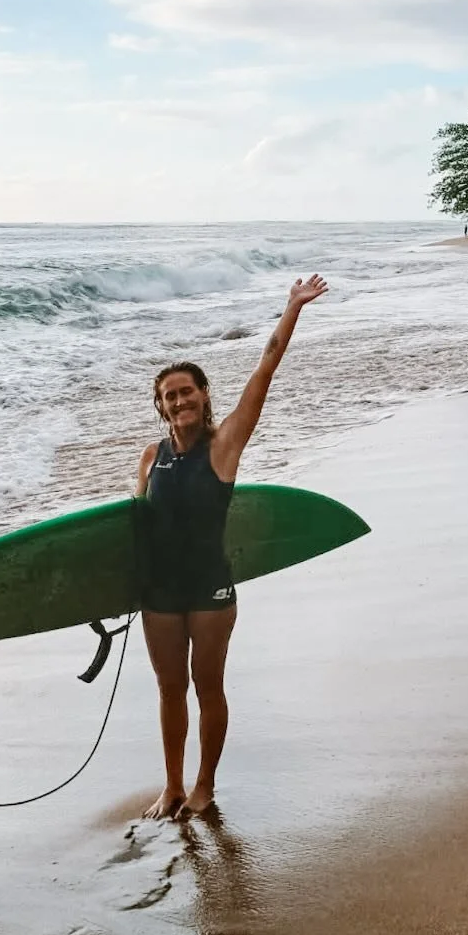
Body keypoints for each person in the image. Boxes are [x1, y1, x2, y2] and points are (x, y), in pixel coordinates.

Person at [135, 273, 328, 819]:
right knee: (169, 689)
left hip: (210, 586)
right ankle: (171, 786)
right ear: (161, 406)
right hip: (160, 591)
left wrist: (292, 307)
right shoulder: (151, 456)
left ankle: (204, 786)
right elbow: (135, 526)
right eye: (169, 396)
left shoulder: (224, 445)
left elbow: (265, 367)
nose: (179, 402)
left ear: (203, 395)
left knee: (206, 685)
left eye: (187, 392)